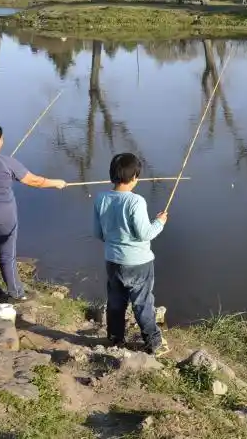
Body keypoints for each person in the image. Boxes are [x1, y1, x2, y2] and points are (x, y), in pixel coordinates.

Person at [0, 123, 67, 302]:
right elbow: (34, 181)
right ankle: (16, 293)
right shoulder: (7, 162)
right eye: (1, 137)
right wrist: (57, 183)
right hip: (2, 217)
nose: (3, 140)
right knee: (7, 256)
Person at [93, 152, 169, 356]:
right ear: (135, 177)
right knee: (143, 303)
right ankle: (154, 342)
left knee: (116, 302)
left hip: (112, 261)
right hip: (138, 264)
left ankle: (115, 339)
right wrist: (159, 222)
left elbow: (98, 233)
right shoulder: (136, 201)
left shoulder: (101, 198)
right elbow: (145, 234)